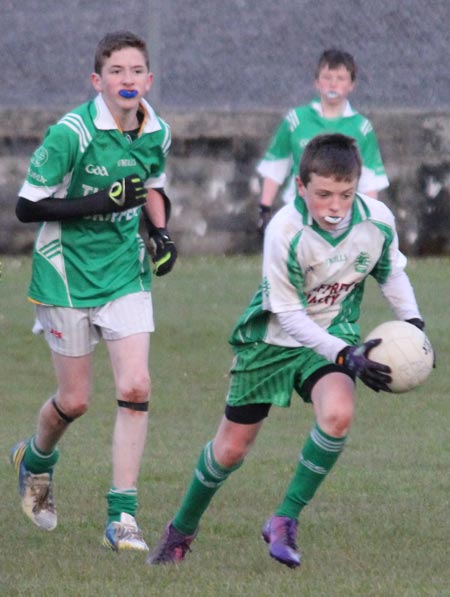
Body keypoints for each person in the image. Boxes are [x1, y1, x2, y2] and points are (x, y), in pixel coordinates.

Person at [147, 133, 426, 569]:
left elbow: (391, 271)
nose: (335, 206)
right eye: (323, 195)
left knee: (338, 414)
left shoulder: (377, 221)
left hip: (332, 332)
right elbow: (291, 316)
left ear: (358, 186)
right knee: (231, 450)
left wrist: (412, 323)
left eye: (346, 194)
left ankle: (284, 519)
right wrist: (345, 355)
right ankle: (181, 530)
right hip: (270, 342)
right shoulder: (285, 231)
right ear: (301, 187)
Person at [10, 30, 177, 552]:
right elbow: (27, 207)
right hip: (65, 274)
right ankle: (35, 459)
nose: (127, 81)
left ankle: (122, 515)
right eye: (116, 72)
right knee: (76, 400)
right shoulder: (71, 134)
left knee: (136, 386)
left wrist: (161, 235)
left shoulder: (156, 131)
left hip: (125, 272)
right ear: (97, 81)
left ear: (148, 80)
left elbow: (153, 186)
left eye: (135, 72)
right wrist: (101, 201)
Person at [257, 48, 389, 234]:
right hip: (300, 212)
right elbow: (276, 164)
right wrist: (264, 208)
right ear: (317, 82)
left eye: (340, 78)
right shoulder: (296, 120)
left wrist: (373, 219)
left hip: (344, 215)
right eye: (327, 78)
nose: (333, 84)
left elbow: (369, 178)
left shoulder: (362, 127)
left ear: (352, 84)